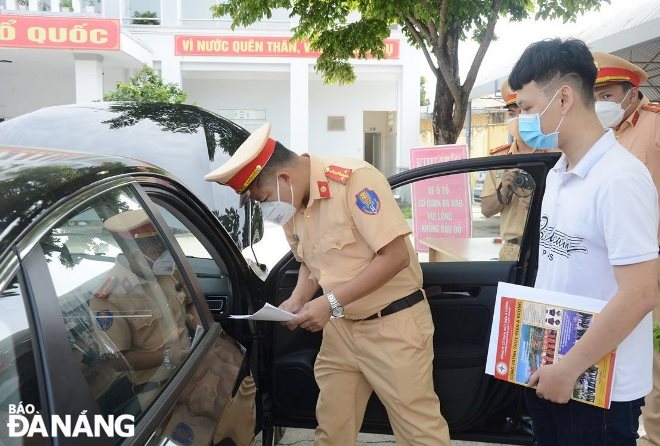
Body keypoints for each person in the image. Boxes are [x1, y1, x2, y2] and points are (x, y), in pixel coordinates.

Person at [204, 123, 451, 445]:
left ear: (283, 178)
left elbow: (395, 257)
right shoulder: (292, 205)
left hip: (392, 326)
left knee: (419, 431)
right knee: (332, 428)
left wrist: (330, 302)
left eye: (262, 199)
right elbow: (310, 261)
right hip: (341, 330)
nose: (265, 209)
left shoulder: (354, 181)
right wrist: (296, 300)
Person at [508, 38, 658, 445]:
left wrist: (570, 367)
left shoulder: (619, 178)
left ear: (564, 98)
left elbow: (642, 291)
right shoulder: (559, 172)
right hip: (555, 374)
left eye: (526, 108)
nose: (520, 122)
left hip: (600, 392)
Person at [591, 51, 660, 446]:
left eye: (608, 93)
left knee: (655, 360)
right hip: (610, 268)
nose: (601, 103)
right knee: (613, 351)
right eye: (595, 93)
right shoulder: (598, 138)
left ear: (631, 93)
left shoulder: (653, 125)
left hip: (650, 261)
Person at [91, 210, 196, 410]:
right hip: (157, 389)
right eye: (157, 252)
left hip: (192, 364)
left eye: (163, 247)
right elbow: (118, 360)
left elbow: (191, 303)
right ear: (134, 255)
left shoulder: (166, 270)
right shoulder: (108, 298)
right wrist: (167, 357)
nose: (165, 256)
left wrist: (200, 328)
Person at [481, 81, 537, 260]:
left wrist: (539, 204)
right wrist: (503, 195)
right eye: (513, 113)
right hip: (512, 250)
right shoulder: (500, 158)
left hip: (544, 247)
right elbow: (486, 210)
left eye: (524, 111)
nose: (518, 118)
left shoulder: (556, 154)